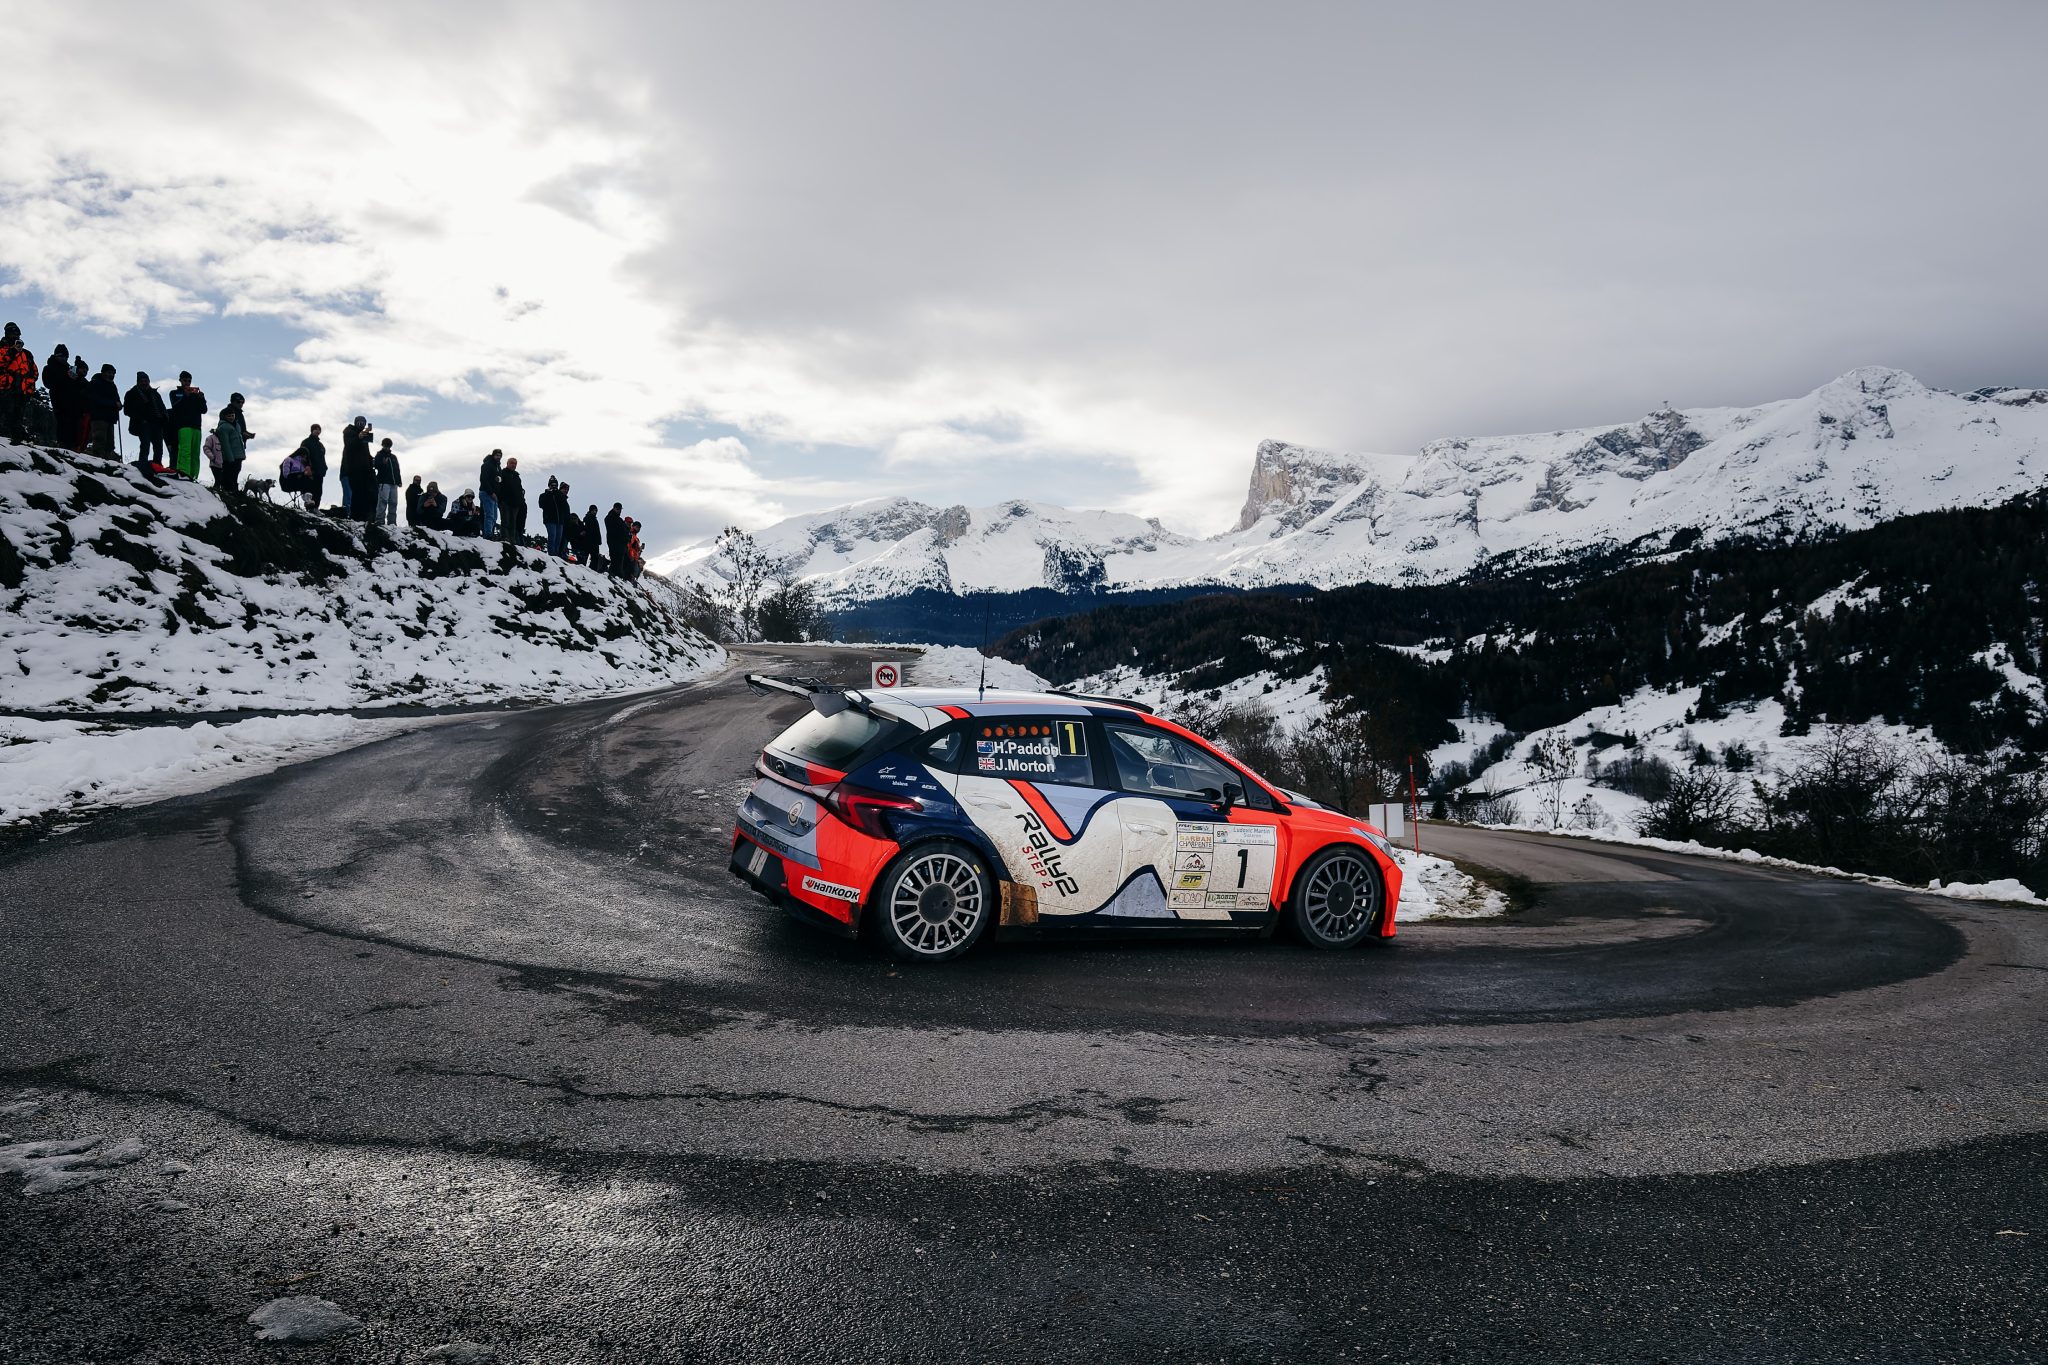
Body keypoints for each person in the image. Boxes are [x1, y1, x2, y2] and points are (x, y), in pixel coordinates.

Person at [124, 372, 169, 470]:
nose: (144, 383)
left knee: (158, 447)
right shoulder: (131, 393)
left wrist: (164, 418)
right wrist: (141, 419)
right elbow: (127, 410)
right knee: (145, 445)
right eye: (142, 381)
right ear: (138, 382)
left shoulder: (155, 394)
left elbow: (162, 407)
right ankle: (143, 464)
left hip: (157, 424)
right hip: (143, 424)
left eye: (146, 381)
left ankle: (157, 465)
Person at [0, 323, 37, 443]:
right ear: (7, 334)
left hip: (21, 391)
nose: (15, 336)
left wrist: (29, 386)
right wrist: (11, 353)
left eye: (17, 334)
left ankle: (17, 440)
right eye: (13, 334)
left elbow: (34, 372)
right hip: (4, 389)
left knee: (18, 417)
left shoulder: (27, 353)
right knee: (6, 415)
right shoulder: (1, 349)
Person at [168, 372, 207, 479]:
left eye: (189, 381)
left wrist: (201, 398)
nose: (187, 383)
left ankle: (193, 476)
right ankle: (183, 473)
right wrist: (185, 396)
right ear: (180, 380)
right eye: (185, 380)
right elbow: (175, 407)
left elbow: (204, 410)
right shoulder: (175, 393)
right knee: (185, 450)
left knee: (195, 453)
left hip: (197, 427)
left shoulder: (195, 394)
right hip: (183, 426)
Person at [339, 416, 374, 521]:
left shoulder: (364, 437)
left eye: (363, 423)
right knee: (352, 495)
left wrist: (372, 462)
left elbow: (366, 453)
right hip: (351, 470)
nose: (361, 424)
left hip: (363, 470)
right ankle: (350, 516)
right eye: (359, 422)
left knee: (363, 494)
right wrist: (358, 437)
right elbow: (349, 446)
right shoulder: (349, 431)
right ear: (355, 422)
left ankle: (362, 517)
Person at [213, 395, 249, 494]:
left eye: (233, 415)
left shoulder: (237, 425)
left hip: (238, 454)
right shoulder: (224, 427)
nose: (231, 417)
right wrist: (230, 458)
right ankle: (228, 489)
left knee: (236, 471)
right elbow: (225, 444)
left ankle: (234, 489)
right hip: (231, 456)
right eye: (229, 416)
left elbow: (239, 437)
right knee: (229, 472)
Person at [86, 364, 121, 457]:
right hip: (98, 416)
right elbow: (95, 399)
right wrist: (114, 404)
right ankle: (98, 460)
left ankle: (107, 460)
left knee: (110, 443)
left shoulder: (112, 386)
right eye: (109, 373)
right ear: (103, 373)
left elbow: (116, 399)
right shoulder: (95, 383)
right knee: (99, 439)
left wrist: (118, 404)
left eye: (113, 373)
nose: (111, 375)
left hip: (110, 418)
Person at [292, 424, 326, 510]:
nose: (318, 431)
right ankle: (309, 508)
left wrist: (324, 468)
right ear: (312, 430)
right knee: (309, 490)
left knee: (318, 491)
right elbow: (302, 455)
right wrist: (306, 466)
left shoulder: (320, 445)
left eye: (319, 429)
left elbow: (322, 458)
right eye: (316, 429)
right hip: (309, 470)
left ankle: (316, 508)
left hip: (319, 472)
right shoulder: (306, 442)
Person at [498, 456, 526, 545]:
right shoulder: (502, 473)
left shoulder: (517, 477)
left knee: (513, 522)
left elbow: (520, 489)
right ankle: (504, 538)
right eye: (512, 463)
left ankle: (512, 540)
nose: (513, 465)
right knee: (505, 520)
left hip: (515, 504)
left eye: (515, 463)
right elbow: (498, 486)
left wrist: (520, 501)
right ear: (507, 464)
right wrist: (500, 499)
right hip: (505, 502)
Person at [373, 438, 401, 525]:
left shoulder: (393, 457)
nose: (387, 447)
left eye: (388, 446)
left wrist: (399, 481)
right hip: (384, 482)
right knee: (383, 501)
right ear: (383, 445)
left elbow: (397, 470)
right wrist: (383, 464)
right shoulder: (379, 455)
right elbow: (375, 465)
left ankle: (392, 522)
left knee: (394, 502)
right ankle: (380, 520)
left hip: (394, 483)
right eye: (385, 445)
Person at [478, 449, 503, 540]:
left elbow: (499, 481)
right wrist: (491, 492)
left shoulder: (498, 467)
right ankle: (488, 535)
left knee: (494, 517)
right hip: (486, 493)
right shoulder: (487, 465)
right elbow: (484, 479)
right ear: (493, 455)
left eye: (500, 455)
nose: (498, 457)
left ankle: (490, 533)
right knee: (489, 515)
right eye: (497, 455)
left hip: (494, 495)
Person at [604, 502, 628, 577]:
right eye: (617, 509)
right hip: (614, 542)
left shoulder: (619, 519)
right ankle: (612, 574)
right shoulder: (610, 517)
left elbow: (624, 530)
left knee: (619, 560)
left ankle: (616, 575)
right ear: (614, 508)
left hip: (620, 544)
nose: (619, 511)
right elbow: (613, 531)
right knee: (615, 559)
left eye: (620, 509)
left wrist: (626, 537)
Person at [579, 504, 601, 569]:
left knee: (592, 557)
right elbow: (590, 530)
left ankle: (588, 569)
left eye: (596, 510)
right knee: (592, 558)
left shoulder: (591, 518)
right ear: (590, 510)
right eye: (593, 510)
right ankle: (589, 569)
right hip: (591, 541)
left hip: (592, 541)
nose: (595, 512)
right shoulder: (589, 518)